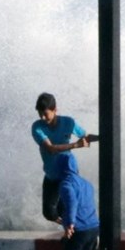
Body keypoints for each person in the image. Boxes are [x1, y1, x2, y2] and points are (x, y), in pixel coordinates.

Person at [31, 92, 91, 223]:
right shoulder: (37, 127)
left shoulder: (69, 122)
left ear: (55, 110)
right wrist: (75, 145)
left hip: (67, 173)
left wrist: (103, 137)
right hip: (51, 175)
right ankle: (70, 227)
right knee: (49, 213)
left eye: (45, 114)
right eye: (40, 114)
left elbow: (86, 136)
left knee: (68, 209)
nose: (42, 117)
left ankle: (77, 231)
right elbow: (51, 149)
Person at [54, 152, 101, 250]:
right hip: (93, 226)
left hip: (79, 229)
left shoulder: (66, 184)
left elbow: (72, 203)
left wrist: (70, 224)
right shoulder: (87, 183)